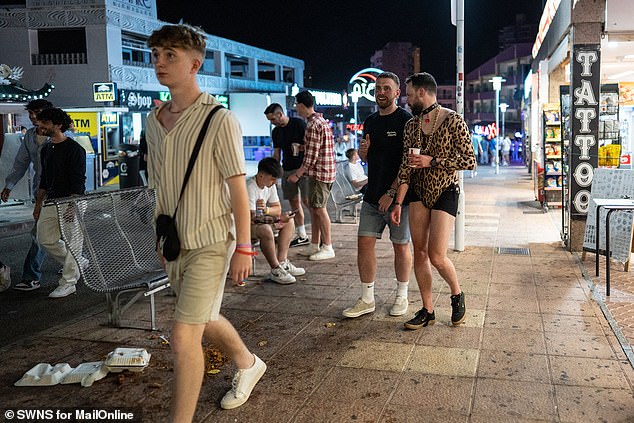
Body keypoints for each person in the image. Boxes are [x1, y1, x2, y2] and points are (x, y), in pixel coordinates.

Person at [145, 24, 265, 421]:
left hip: (213, 241)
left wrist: (244, 247)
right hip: (176, 241)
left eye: (170, 55)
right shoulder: (154, 119)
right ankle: (248, 363)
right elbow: (159, 185)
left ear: (195, 64)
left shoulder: (219, 119)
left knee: (183, 336)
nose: (160, 62)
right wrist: (160, 240)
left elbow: (237, 188)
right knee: (205, 317)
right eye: (157, 54)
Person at [390, 72, 476, 330]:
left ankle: (457, 294)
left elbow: (469, 160)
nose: (406, 98)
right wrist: (398, 202)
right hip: (417, 191)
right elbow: (406, 167)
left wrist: (433, 161)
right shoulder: (411, 126)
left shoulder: (453, 120)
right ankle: (427, 309)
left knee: (437, 255)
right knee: (420, 252)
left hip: (446, 190)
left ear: (422, 92)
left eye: (408, 93)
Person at [342, 72, 413, 319]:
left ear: (397, 93)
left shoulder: (406, 120)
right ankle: (367, 298)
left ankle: (402, 295)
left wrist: (392, 193)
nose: (381, 92)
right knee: (364, 244)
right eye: (378, 88)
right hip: (372, 196)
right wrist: (363, 153)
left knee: (401, 246)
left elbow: (408, 164)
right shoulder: (370, 120)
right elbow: (367, 157)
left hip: (399, 199)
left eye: (386, 88)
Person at [1, 99, 54, 291]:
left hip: (60, 191)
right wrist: (9, 185)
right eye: (31, 114)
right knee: (46, 232)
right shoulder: (30, 136)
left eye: (37, 113)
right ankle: (74, 262)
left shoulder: (58, 134)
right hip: (40, 191)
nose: (33, 118)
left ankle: (32, 275)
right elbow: (21, 162)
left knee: (42, 233)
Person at [34, 107, 86, 299]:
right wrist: (38, 204)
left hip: (72, 200)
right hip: (52, 201)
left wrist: (73, 205)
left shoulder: (75, 150)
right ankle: (78, 262)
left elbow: (78, 180)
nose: (41, 126)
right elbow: (44, 180)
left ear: (58, 125)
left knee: (74, 242)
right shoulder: (46, 148)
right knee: (44, 238)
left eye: (45, 123)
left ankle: (69, 282)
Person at [287, 90, 336, 261]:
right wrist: (301, 147)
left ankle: (328, 246)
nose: (296, 109)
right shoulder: (319, 121)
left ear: (301, 105)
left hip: (320, 173)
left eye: (296, 105)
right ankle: (315, 244)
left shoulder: (313, 124)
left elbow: (311, 157)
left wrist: (297, 174)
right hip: (324, 171)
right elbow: (315, 149)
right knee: (316, 209)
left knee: (320, 209)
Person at [247, 157, 305, 284]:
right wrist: (277, 219)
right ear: (261, 175)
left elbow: (277, 208)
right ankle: (275, 269)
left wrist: (268, 210)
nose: (274, 183)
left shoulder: (269, 185)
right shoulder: (250, 187)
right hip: (245, 226)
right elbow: (252, 218)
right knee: (266, 229)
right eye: (272, 179)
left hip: (260, 221)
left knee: (288, 221)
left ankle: (282, 262)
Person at [263, 103, 310, 248]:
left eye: (272, 119)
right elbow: (277, 154)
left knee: (309, 202)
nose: (272, 122)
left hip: (303, 168)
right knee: (294, 203)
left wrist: (300, 147)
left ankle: (320, 236)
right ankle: (302, 235)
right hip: (287, 169)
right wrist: (275, 174)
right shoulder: (276, 132)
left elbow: (310, 145)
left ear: (279, 114)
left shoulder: (299, 124)